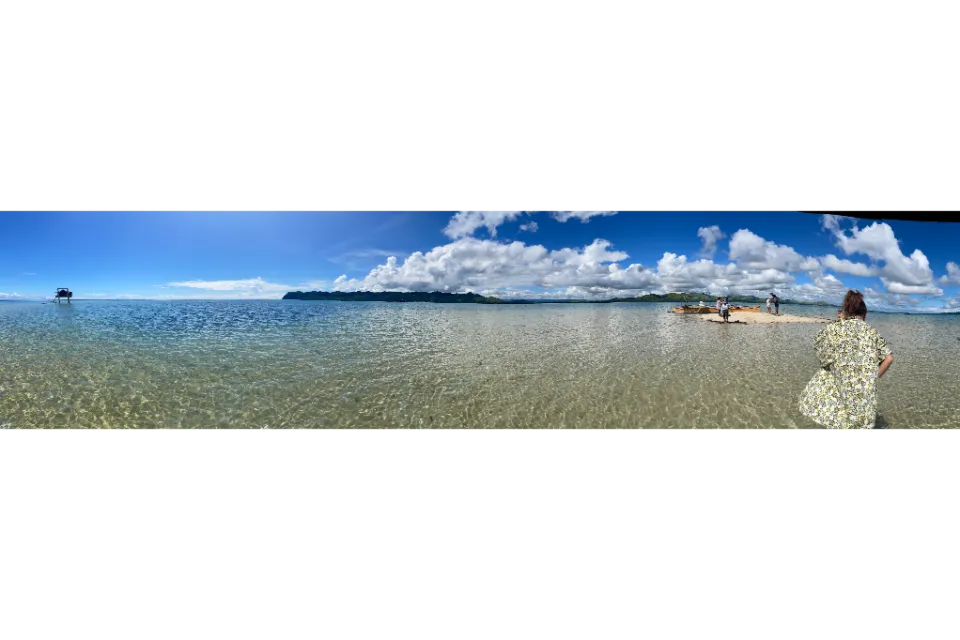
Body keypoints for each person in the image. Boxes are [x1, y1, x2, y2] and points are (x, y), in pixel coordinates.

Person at [798, 290, 894, 431]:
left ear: (845, 313)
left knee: (838, 421)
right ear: (865, 315)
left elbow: (823, 359)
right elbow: (889, 358)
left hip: (839, 388)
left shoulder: (832, 329)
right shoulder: (871, 331)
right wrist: (873, 377)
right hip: (863, 393)